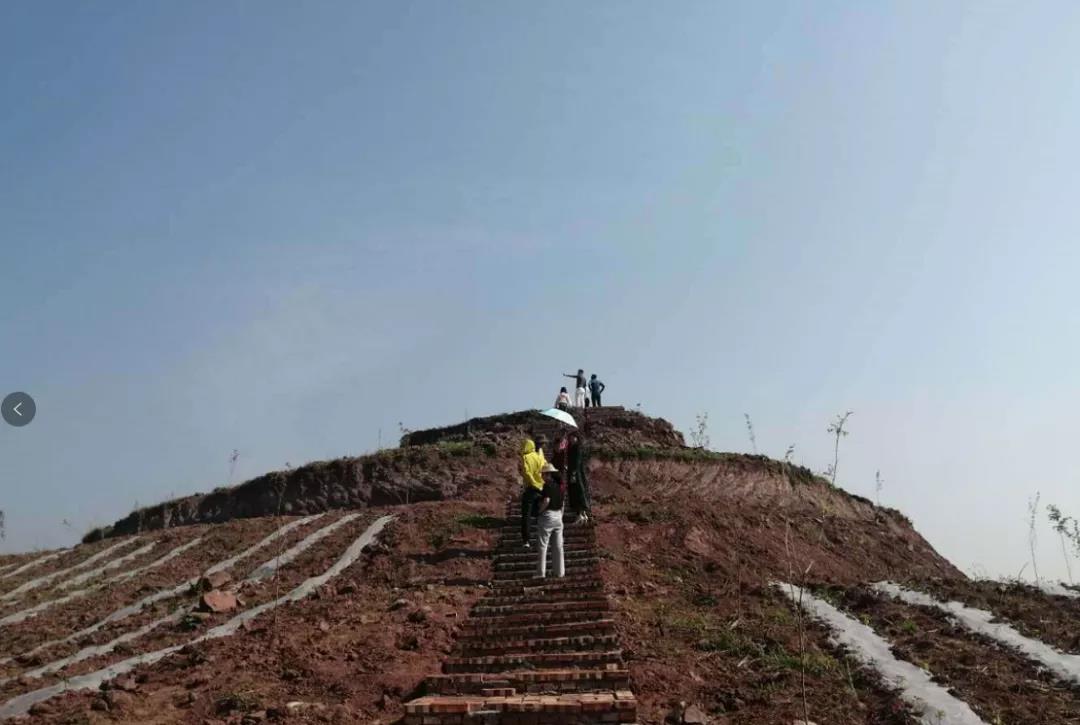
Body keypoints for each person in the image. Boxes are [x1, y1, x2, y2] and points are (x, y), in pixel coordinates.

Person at [536, 461, 565, 578]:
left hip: (548, 516)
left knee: (543, 546)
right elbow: (562, 503)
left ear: (548, 475)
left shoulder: (547, 486)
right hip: (558, 517)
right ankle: (560, 572)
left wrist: (539, 511)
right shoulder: (559, 487)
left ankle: (541, 573)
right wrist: (560, 516)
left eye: (543, 474)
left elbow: (546, 501)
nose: (542, 476)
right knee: (558, 547)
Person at [520, 437, 546, 548]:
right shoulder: (538, 457)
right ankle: (543, 538)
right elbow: (545, 467)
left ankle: (526, 541)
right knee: (541, 513)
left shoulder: (525, 457)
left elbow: (526, 472)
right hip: (541, 488)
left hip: (531, 488)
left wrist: (532, 482)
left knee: (526, 515)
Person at [568, 431, 591, 524]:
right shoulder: (573, 448)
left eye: (573, 437)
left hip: (576, 474)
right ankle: (582, 514)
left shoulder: (577, 448)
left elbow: (576, 463)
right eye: (570, 438)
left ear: (577, 438)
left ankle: (580, 514)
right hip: (576, 473)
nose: (571, 439)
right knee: (577, 491)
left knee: (577, 491)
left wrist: (573, 474)